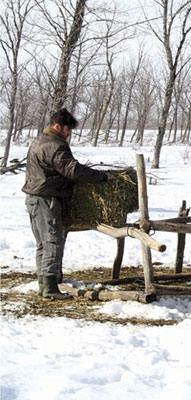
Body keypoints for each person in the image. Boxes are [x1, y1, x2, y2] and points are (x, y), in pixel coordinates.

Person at [22, 108, 114, 300]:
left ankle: (44, 284)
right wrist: (102, 177)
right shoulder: (54, 145)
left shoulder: (40, 141)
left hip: (34, 197)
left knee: (42, 244)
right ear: (58, 127)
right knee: (52, 242)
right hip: (46, 199)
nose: (70, 133)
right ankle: (50, 288)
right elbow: (73, 170)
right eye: (68, 129)